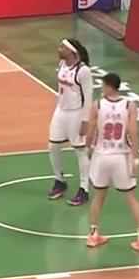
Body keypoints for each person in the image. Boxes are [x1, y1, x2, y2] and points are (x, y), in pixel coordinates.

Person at [85, 73, 139, 252]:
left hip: (101, 156)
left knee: (98, 197)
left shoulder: (97, 105)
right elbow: (134, 135)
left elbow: (90, 131)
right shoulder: (130, 106)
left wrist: (87, 149)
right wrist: (136, 161)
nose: (102, 89)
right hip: (122, 156)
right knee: (131, 198)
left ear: (109, 86)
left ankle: (93, 235)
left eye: (103, 85)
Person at [47, 39, 94, 206]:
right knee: (53, 146)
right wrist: (57, 107)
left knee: (80, 150)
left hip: (76, 113)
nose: (59, 49)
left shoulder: (83, 71)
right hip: (61, 111)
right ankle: (59, 181)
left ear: (72, 52)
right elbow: (61, 90)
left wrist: (85, 120)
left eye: (63, 47)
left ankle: (84, 189)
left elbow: (88, 97)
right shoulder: (62, 65)